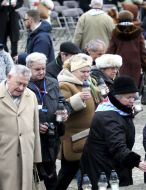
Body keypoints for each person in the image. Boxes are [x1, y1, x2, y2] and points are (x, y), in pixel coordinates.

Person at [80, 76, 146, 189]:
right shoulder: (109, 117)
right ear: (117, 97)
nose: (133, 100)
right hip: (103, 168)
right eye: (129, 98)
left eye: (134, 97)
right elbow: (117, 146)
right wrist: (137, 162)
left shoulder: (116, 109)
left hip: (110, 163)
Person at [56, 53, 100, 190]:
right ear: (73, 71)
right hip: (73, 139)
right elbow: (61, 108)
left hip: (88, 136)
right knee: (67, 173)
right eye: (83, 71)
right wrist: (77, 98)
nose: (86, 74)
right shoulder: (65, 85)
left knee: (87, 173)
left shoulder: (90, 82)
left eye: (88, 71)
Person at [26, 52, 69, 190]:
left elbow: (61, 100)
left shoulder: (52, 82)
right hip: (33, 138)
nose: (41, 72)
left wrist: (64, 111)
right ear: (28, 68)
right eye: (37, 69)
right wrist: (35, 126)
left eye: (43, 68)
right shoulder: (23, 85)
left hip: (52, 134)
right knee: (34, 174)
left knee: (51, 174)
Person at [0, 64, 41, 190]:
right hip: (5, 155)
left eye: (25, 84)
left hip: (26, 155)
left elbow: (35, 127)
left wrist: (36, 157)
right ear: (9, 77)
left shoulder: (31, 96)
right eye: (19, 83)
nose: (21, 88)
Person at [107, 10, 146, 86]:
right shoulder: (138, 32)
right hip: (135, 63)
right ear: (131, 19)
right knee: (134, 86)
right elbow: (142, 50)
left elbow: (111, 49)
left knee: (122, 86)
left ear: (119, 18)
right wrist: (145, 64)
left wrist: (107, 62)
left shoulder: (115, 32)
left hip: (120, 64)